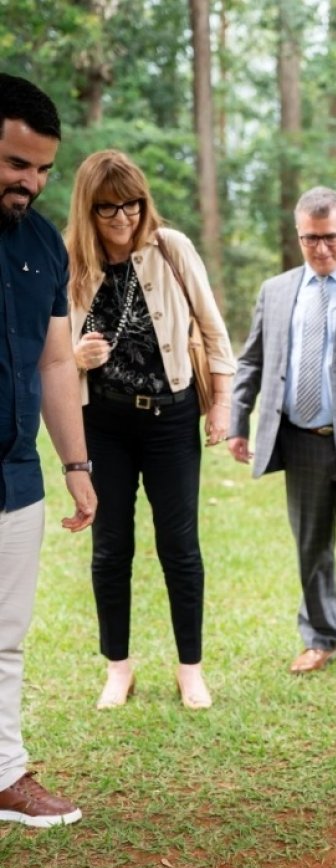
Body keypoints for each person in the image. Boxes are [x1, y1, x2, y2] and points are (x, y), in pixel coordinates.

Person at [65, 150, 236, 711]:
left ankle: (190, 669)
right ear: (88, 209)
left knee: (180, 546)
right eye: (108, 209)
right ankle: (119, 667)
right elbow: (48, 357)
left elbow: (214, 332)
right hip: (104, 422)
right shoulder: (70, 261)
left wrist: (221, 408)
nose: (122, 219)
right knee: (111, 547)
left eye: (131, 206)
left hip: (172, 417)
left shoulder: (171, 247)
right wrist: (77, 356)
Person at [227, 186, 336, 686]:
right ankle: (319, 638)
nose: (321, 249)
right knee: (311, 545)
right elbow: (253, 360)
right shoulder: (277, 290)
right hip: (301, 437)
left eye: (330, 238)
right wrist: (238, 422)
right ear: (298, 235)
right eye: (310, 239)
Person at [0, 75, 97, 827]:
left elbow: (55, 361)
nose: (30, 183)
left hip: (16, 474)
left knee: (5, 637)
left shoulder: (40, 244)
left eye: (42, 169)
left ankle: (4, 772)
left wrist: (76, 464)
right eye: (15, 164)